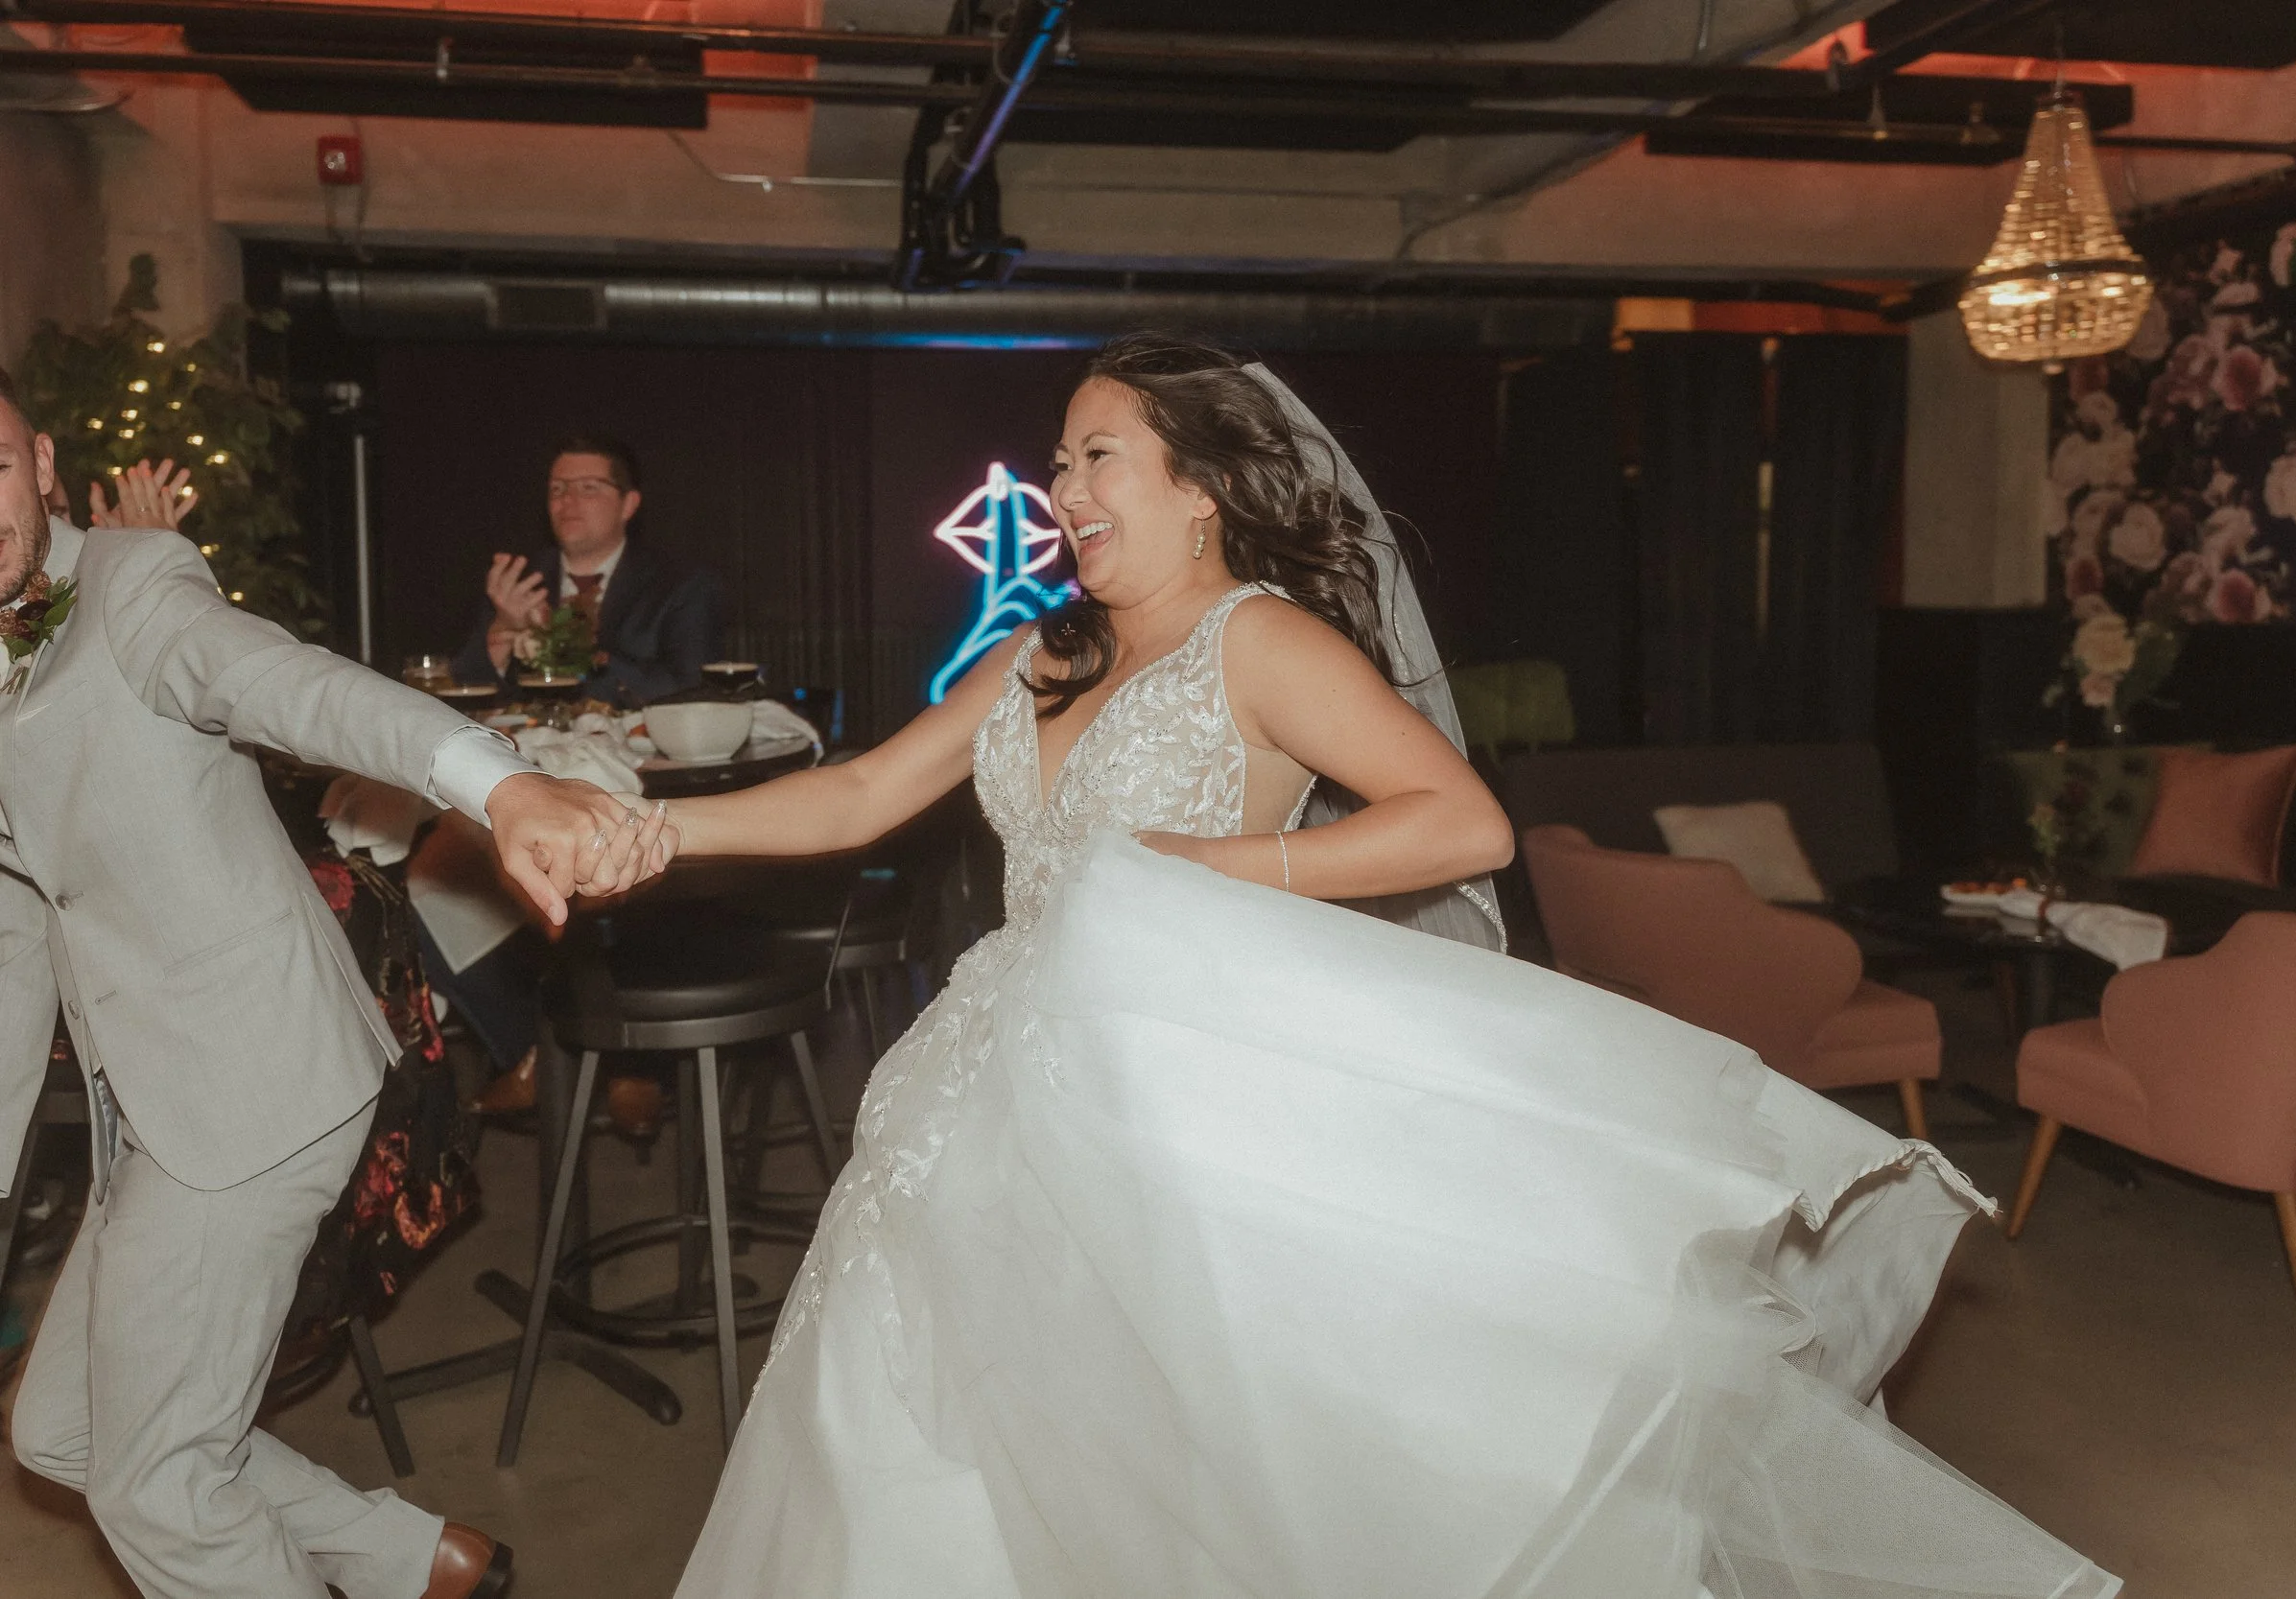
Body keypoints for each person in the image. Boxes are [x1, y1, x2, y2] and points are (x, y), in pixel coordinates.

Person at [635, 335, 2117, 1599]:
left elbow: (1461, 820)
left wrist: (1216, 866)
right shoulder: (1041, 652)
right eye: (1060, 460)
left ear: (1201, 489)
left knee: (1170, 1456)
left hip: (1163, 1097)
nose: (1063, 488)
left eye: (1098, 457)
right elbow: (855, 794)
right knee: (916, 1434)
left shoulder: (1258, 641)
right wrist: (650, 829)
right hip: (971, 1094)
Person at [0, 365, 670, 1599]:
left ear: (41, 464)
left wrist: (500, 784)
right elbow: (16, 935)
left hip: (250, 1080)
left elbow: (292, 684)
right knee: (63, 1431)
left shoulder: (133, 587)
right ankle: (415, 1558)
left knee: (157, 1478)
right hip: (148, 1100)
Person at [448, 434, 725, 707]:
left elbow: (693, 692)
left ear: (628, 505)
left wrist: (562, 647)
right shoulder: (519, 584)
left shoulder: (681, 584)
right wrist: (499, 638)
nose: (567, 500)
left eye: (588, 488)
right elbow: (457, 699)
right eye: (557, 489)